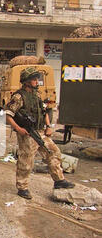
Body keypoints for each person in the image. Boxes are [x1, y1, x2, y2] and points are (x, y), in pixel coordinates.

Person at [5, 67, 75, 200]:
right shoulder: (19, 96)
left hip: (40, 131)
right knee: (26, 161)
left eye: (37, 79)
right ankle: (22, 187)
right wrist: (18, 129)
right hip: (27, 133)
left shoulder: (37, 95)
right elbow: (8, 115)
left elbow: (44, 112)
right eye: (34, 79)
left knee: (53, 152)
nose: (37, 81)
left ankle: (59, 180)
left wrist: (49, 126)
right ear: (26, 81)